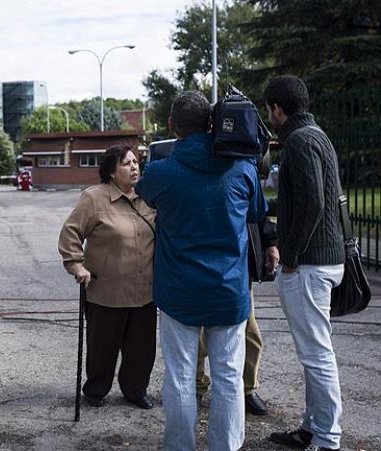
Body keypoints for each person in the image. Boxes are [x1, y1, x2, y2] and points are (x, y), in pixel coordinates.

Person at [136, 91, 267, 451]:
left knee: (179, 375)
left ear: (171, 126)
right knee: (228, 375)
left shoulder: (161, 173)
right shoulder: (242, 169)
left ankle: (180, 446)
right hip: (229, 292)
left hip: (179, 292)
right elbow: (257, 211)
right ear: (213, 123)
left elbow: (144, 193)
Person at [264, 75, 345, 451]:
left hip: (309, 264)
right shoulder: (316, 135)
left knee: (316, 355)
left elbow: (314, 202)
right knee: (314, 352)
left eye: (270, 111)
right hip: (321, 260)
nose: (270, 117)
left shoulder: (298, 141)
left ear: (278, 108)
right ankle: (312, 428)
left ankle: (327, 438)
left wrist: (291, 257)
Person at [58, 145, 157, 410]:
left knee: (142, 349)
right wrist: (77, 266)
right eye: (126, 163)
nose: (134, 167)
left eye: (136, 162)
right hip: (106, 291)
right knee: (102, 347)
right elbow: (71, 233)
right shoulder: (93, 198)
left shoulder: (148, 197)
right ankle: (95, 390)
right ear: (111, 172)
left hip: (144, 291)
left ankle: (136, 390)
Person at [196, 217, 279, 417]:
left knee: (250, 336)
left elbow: (258, 209)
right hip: (201, 263)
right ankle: (195, 388)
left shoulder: (243, 183)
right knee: (199, 336)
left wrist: (271, 243)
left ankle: (247, 389)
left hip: (239, 267)